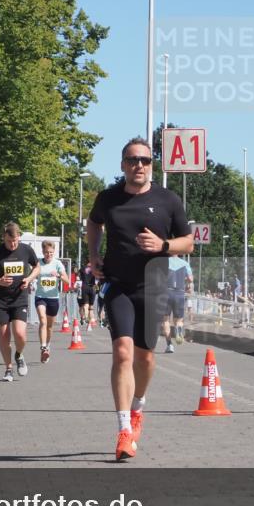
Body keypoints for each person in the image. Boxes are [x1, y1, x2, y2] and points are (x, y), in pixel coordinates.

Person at [87, 137, 192, 461]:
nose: (139, 165)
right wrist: (93, 256)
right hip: (118, 284)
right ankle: (122, 430)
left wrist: (162, 246)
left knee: (145, 359)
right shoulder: (109, 198)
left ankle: (138, 407)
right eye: (133, 160)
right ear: (122, 164)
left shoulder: (167, 200)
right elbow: (94, 223)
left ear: (152, 164)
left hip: (153, 286)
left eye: (145, 160)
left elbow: (187, 242)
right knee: (122, 352)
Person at [0, 222, 40, 382]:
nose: (13, 244)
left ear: (19, 237)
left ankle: (19, 355)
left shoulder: (26, 250)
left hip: (19, 297)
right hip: (1, 299)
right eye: (9, 241)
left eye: (15, 241)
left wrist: (29, 279)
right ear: (4, 238)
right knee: (4, 336)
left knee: (20, 334)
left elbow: (37, 267)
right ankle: (8, 368)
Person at [34, 241, 68, 364]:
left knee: (49, 326)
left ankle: (47, 346)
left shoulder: (57, 264)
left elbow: (67, 281)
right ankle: (43, 348)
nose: (49, 254)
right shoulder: (38, 263)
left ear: (54, 252)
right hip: (40, 296)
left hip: (53, 298)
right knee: (42, 320)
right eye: (47, 252)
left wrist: (58, 275)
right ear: (43, 252)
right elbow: (32, 275)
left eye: (51, 253)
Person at [161, 255, 193, 353]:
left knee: (165, 320)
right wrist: (187, 284)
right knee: (178, 320)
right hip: (179, 293)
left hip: (166, 292)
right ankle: (178, 329)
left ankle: (169, 345)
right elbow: (190, 279)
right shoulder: (185, 263)